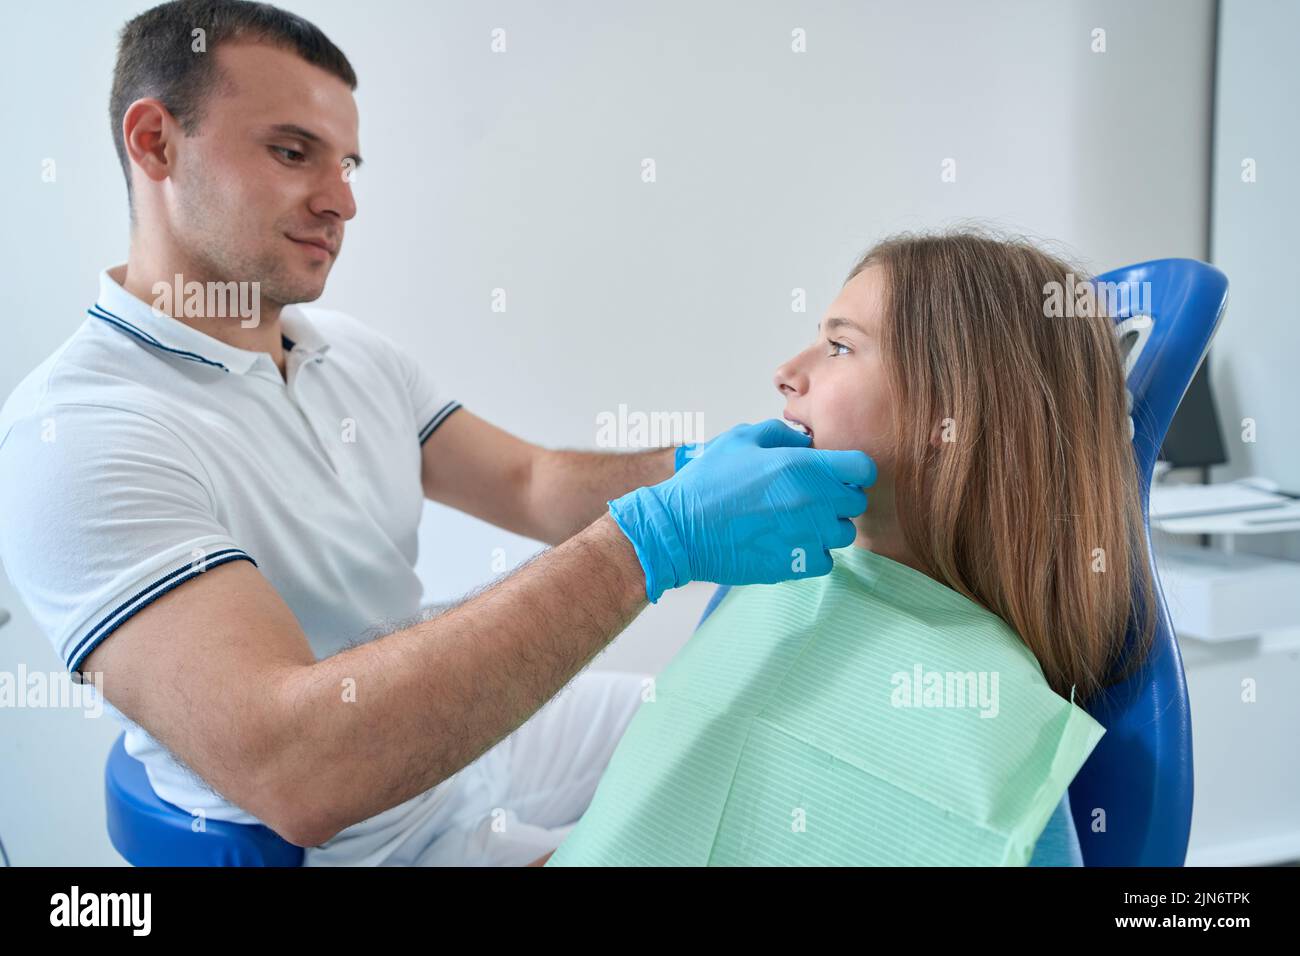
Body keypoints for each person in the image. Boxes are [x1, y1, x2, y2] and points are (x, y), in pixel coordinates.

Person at [0, 0, 872, 866]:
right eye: (292, 151)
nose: (342, 200)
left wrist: (701, 469)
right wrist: (658, 540)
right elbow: (298, 768)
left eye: (348, 163)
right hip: (364, 838)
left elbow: (530, 482)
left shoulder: (347, 353)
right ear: (154, 142)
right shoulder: (77, 435)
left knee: (746, 737)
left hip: (466, 757)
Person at [545, 231, 1159, 866]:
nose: (785, 375)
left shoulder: (996, 746)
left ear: (952, 412)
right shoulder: (769, 589)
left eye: (840, 346)